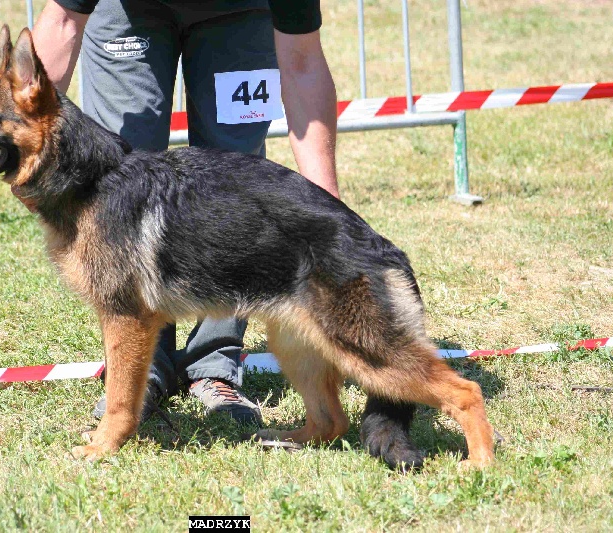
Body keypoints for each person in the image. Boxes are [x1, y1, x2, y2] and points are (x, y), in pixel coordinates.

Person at [30, 0, 423, 468]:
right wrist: (24, 117)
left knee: (235, 179)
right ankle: (143, 375)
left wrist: (327, 222)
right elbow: (60, 20)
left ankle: (216, 364)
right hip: (130, 12)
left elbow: (301, 63)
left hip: (238, 15)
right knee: (117, 169)